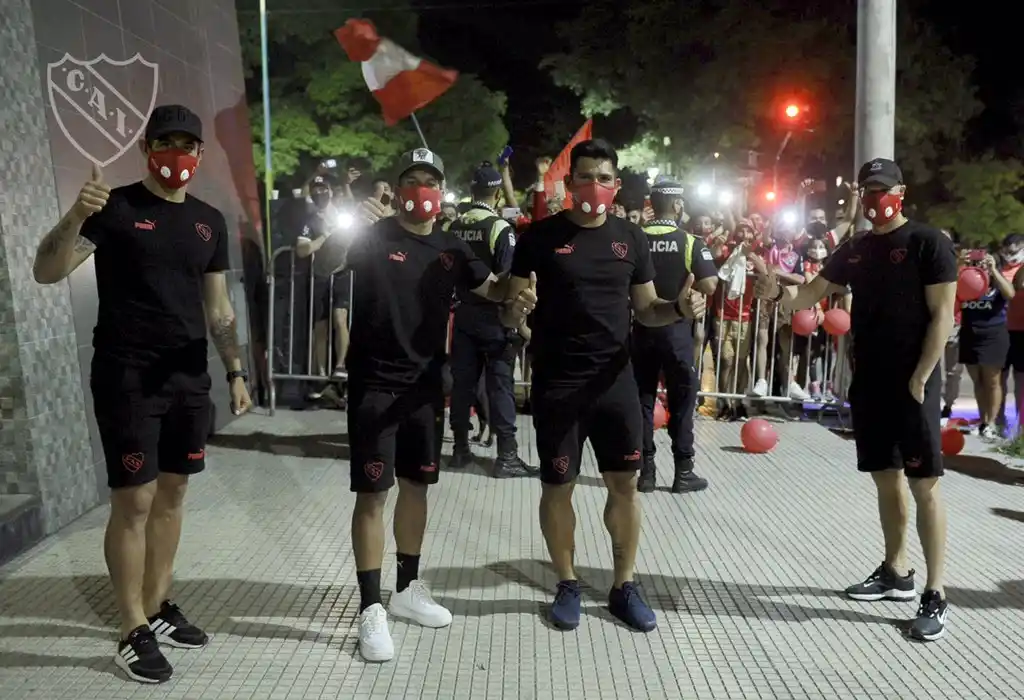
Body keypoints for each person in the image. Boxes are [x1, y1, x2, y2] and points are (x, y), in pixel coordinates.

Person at [31, 104, 253, 682]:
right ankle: (130, 626)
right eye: (165, 142)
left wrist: (235, 371)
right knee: (134, 501)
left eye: (187, 144)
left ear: (199, 152)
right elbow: (47, 271)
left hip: (188, 378)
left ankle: (155, 606)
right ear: (146, 149)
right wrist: (76, 215)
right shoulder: (115, 208)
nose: (177, 154)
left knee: (174, 493)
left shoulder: (208, 221)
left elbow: (218, 308)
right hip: (127, 376)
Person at [502, 139, 705, 633]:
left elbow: (648, 310)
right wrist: (517, 310)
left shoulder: (630, 238)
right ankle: (567, 583)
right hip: (558, 386)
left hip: (616, 384)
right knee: (558, 487)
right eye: (586, 177)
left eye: (605, 178)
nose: (596, 186)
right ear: (570, 183)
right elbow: (510, 309)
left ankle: (623, 586)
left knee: (626, 485)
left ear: (616, 185)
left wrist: (679, 308)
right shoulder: (538, 237)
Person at [753, 157, 957, 642]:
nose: (874, 198)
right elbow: (810, 295)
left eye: (883, 189)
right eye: (868, 190)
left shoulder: (928, 242)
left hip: (914, 383)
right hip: (870, 381)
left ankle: (936, 591)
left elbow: (943, 314)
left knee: (924, 484)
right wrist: (775, 294)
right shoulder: (857, 248)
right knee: (886, 479)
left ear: (901, 192)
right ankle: (896, 572)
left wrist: (922, 376)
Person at [346, 148, 536, 662]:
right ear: (397, 188)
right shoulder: (374, 235)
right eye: (412, 179)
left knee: (417, 486)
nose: (422, 190)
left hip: (426, 385)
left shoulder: (452, 246)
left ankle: (406, 588)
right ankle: (370, 607)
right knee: (373, 494)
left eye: (430, 180)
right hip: (374, 384)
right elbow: (327, 262)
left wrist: (519, 291)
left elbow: (494, 288)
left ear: (442, 189)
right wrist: (349, 226)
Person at [447, 162, 537, 478]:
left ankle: (460, 450)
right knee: (500, 385)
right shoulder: (500, 228)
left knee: (462, 385)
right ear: (497, 194)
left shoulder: (454, 226)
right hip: (495, 317)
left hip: (462, 314)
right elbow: (508, 279)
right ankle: (506, 456)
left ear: (472, 191)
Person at [632, 180, 718, 493]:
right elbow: (710, 284)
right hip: (676, 331)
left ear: (651, 205)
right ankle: (684, 472)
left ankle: (646, 473)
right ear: (678, 206)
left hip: (641, 328)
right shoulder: (690, 242)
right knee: (682, 401)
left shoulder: (636, 239)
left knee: (642, 401)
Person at [295, 175, 351, 406]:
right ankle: (320, 376)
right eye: (316, 189)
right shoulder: (309, 221)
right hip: (319, 276)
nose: (320, 193)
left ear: (331, 190)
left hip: (342, 274)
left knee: (340, 318)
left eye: (323, 189)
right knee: (320, 327)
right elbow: (302, 250)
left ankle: (340, 366)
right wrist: (325, 236)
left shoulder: (343, 216)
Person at [958, 238, 1015, 439]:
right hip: (969, 333)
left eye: (983, 259)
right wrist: (959, 265)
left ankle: (992, 422)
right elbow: (949, 291)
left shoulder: (996, 281)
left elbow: (1011, 294)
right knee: (978, 381)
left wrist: (993, 270)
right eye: (976, 259)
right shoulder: (965, 277)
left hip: (994, 334)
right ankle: (982, 421)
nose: (979, 263)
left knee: (992, 381)